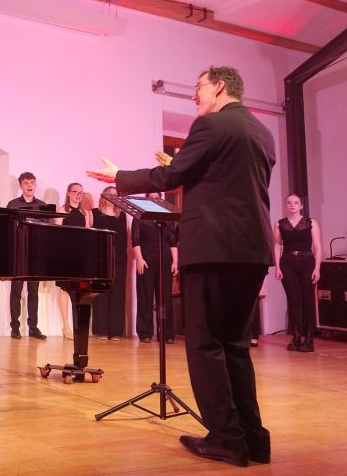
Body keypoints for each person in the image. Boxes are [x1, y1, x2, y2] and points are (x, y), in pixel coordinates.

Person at [88, 65, 275, 467]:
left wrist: (119, 175)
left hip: (213, 249)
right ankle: (253, 439)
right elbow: (225, 182)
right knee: (235, 345)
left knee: (206, 344)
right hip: (253, 250)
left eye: (198, 87)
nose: (194, 95)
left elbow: (174, 174)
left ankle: (226, 439)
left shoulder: (210, 126)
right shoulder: (262, 132)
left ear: (220, 86)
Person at [273, 194, 321, 353]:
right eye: (289, 203)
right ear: (286, 205)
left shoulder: (311, 222)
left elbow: (318, 247)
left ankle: (308, 339)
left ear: (301, 206)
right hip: (287, 263)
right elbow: (277, 246)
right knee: (293, 300)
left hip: (307, 261)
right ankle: (296, 337)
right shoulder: (280, 224)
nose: (292, 205)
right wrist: (277, 267)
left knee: (307, 300)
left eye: (296, 203)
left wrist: (317, 268)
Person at [132, 192, 178, 344]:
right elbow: (135, 240)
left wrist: (175, 262)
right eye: (152, 198)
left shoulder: (166, 218)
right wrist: (139, 259)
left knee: (164, 299)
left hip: (165, 261)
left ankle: (166, 333)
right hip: (146, 261)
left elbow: (172, 241)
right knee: (145, 297)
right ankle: (145, 333)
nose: (155, 200)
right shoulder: (139, 216)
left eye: (157, 198)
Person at [6, 172, 47, 340]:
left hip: (35, 254)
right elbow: (8, 228)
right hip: (18, 253)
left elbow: (46, 231)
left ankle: (33, 327)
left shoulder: (42, 205)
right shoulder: (13, 204)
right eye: (26, 182)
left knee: (34, 293)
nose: (30, 185)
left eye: (32, 182)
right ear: (21, 185)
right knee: (16, 292)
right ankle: (15, 327)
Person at [51, 182, 93, 339]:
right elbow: (58, 235)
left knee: (81, 291)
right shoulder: (61, 210)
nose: (78, 194)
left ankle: (79, 327)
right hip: (66, 255)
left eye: (81, 192)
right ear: (68, 193)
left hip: (81, 257)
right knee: (64, 289)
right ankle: (66, 327)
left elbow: (88, 235)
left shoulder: (85, 213)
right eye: (75, 191)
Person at [90, 185, 128, 341]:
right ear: (104, 196)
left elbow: (124, 239)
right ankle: (102, 331)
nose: (113, 197)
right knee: (101, 294)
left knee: (118, 295)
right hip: (101, 259)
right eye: (110, 194)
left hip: (119, 260)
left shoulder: (122, 215)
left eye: (115, 195)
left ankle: (116, 331)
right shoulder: (94, 213)